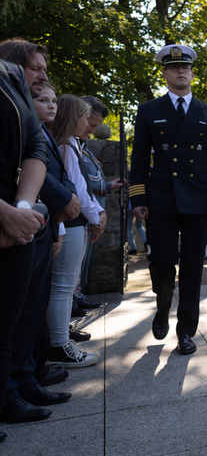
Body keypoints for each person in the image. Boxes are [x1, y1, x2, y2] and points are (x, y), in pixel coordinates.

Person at [129, 44, 207, 355]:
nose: (180, 71)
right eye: (174, 67)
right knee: (162, 260)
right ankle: (162, 306)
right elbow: (139, 157)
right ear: (164, 74)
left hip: (198, 197)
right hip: (162, 197)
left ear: (192, 74)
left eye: (185, 67)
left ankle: (186, 330)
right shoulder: (149, 110)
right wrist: (138, 196)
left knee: (193, 266)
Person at [0, 59, 48, 437]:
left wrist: (21, 208)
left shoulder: (10, 78)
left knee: (6, 324)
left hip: (17, 218)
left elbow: (35, 147)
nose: (42, 76)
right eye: (35, 67)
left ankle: (8, 395)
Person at [46, 94, 105, 368]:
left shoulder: (70, 144)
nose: (88, 124)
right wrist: (97, 216)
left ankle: (59, 341)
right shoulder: (66, 145)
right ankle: (59, 346)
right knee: (63, 286)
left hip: (73, 222)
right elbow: (78, 189)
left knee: (64, 286)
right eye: (84, 117)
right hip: (69, 223)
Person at [73, 96, 123, 314]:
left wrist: (109, 186)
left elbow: (93, 180)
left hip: (92, 210)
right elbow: (80, 184)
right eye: (90, 124)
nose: (92, 130)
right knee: (74, 263)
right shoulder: (68, 145)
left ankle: (78, 295)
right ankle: (73, 300)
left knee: (83, 261)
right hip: (81, 212)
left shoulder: (82, 146)